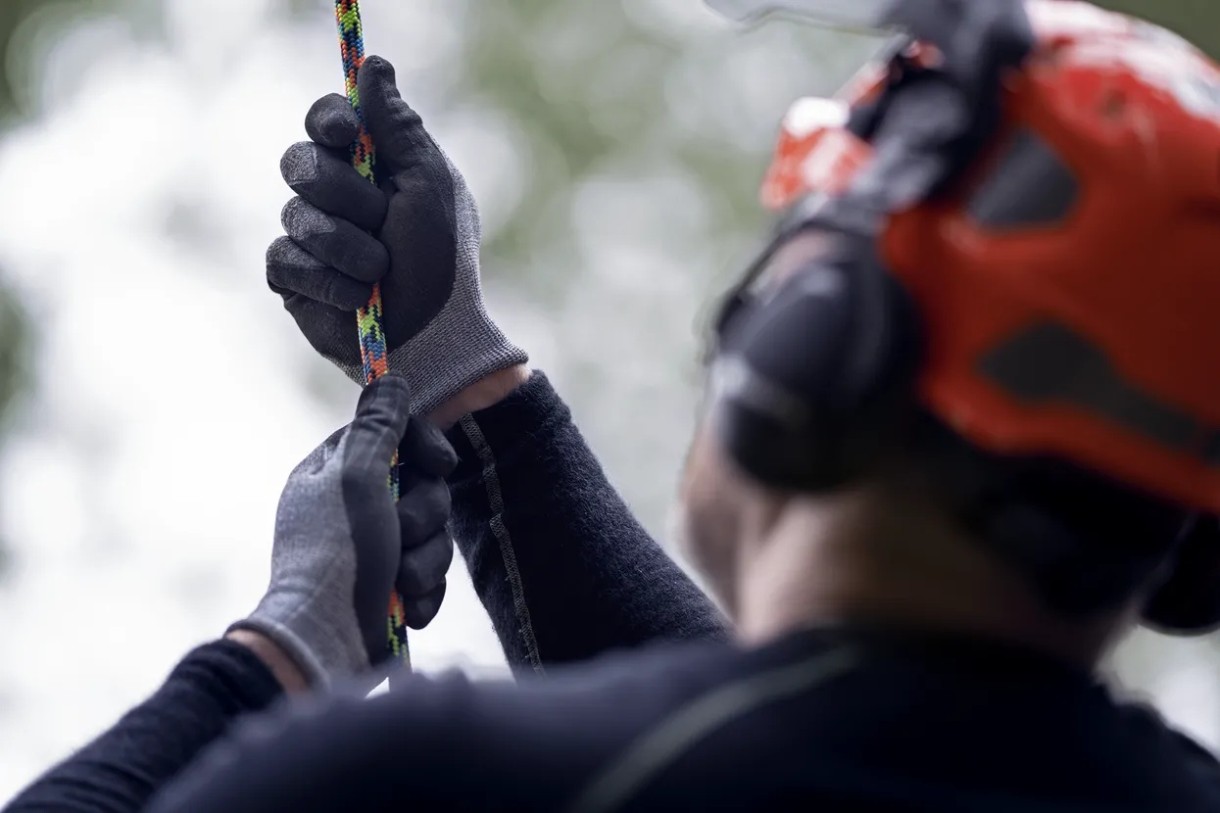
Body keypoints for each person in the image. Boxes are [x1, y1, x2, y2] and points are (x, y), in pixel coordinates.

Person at [10, 0, 1220, 810]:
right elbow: (778, 746)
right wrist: (457, 373)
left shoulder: (411, 783)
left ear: (820, 336)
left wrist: (278, 655)